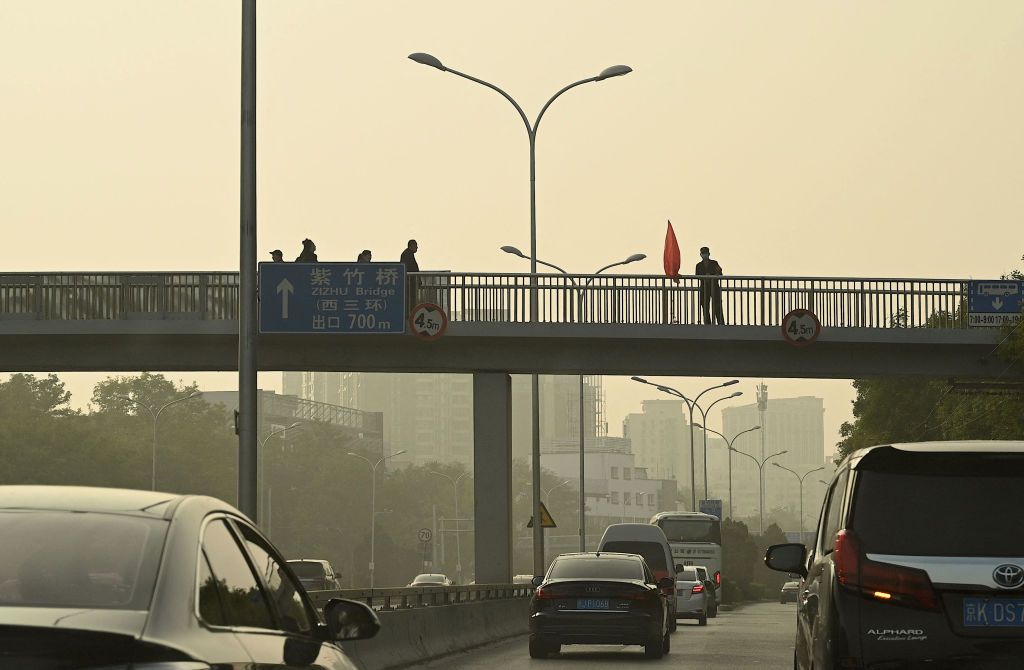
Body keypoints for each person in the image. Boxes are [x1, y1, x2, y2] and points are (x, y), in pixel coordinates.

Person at [695, 246, 724, 325]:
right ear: (700, 254)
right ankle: (707, 324)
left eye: (706, 253)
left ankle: (721, 323)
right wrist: (705, 277)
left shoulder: (714, 263)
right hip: (704, 288)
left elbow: (720, 274)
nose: (705, 255)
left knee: (717, 305)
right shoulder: (698, 265)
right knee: (705, 306)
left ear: (709, 254)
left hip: (714, 287)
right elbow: (697, 276)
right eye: (703, 253)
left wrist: (713, 275)